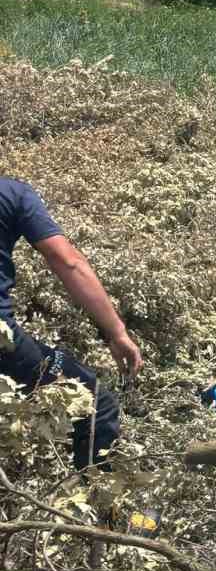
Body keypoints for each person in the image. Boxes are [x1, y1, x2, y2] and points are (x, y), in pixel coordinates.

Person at [0, 175, 142, 471]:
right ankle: (97, 511)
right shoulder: (13, 192)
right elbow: (68, 262)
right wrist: (117, 332)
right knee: (96, 403)